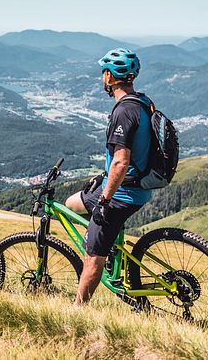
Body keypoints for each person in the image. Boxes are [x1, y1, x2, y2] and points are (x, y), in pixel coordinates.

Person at [64, 48, 154, 305]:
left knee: (93, 257)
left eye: (104, 73)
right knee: (72, 203)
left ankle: (77, 311)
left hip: (122, 194)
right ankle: (107, 244)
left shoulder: (123, 111)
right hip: (135, 186)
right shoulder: (142, 102)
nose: (102, 78)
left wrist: (104, 200)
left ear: (110, 77)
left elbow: (121, 161)